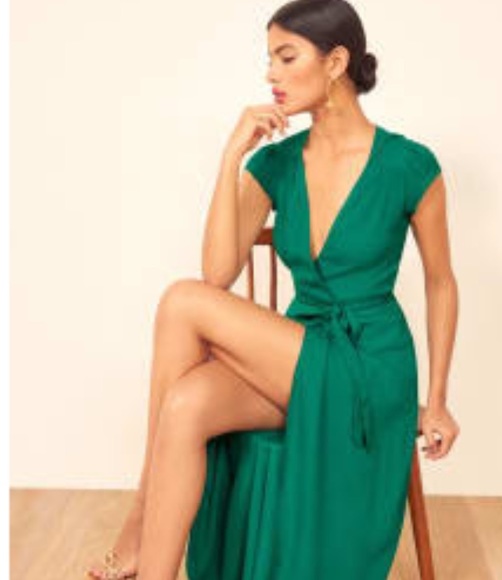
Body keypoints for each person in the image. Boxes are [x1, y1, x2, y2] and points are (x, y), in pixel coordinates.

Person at [86, 0, 460, 578]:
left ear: (335, 62)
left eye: (286, 58)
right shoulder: (278, 163)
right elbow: (219, 274)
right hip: (301, 353)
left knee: (182, 300)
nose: (271, 75)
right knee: (185, 406)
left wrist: (436, 401)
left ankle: (139, 515)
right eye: (269, 60)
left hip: (369, 366)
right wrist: (231, 157)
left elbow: (441, 282)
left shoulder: (411, 165)